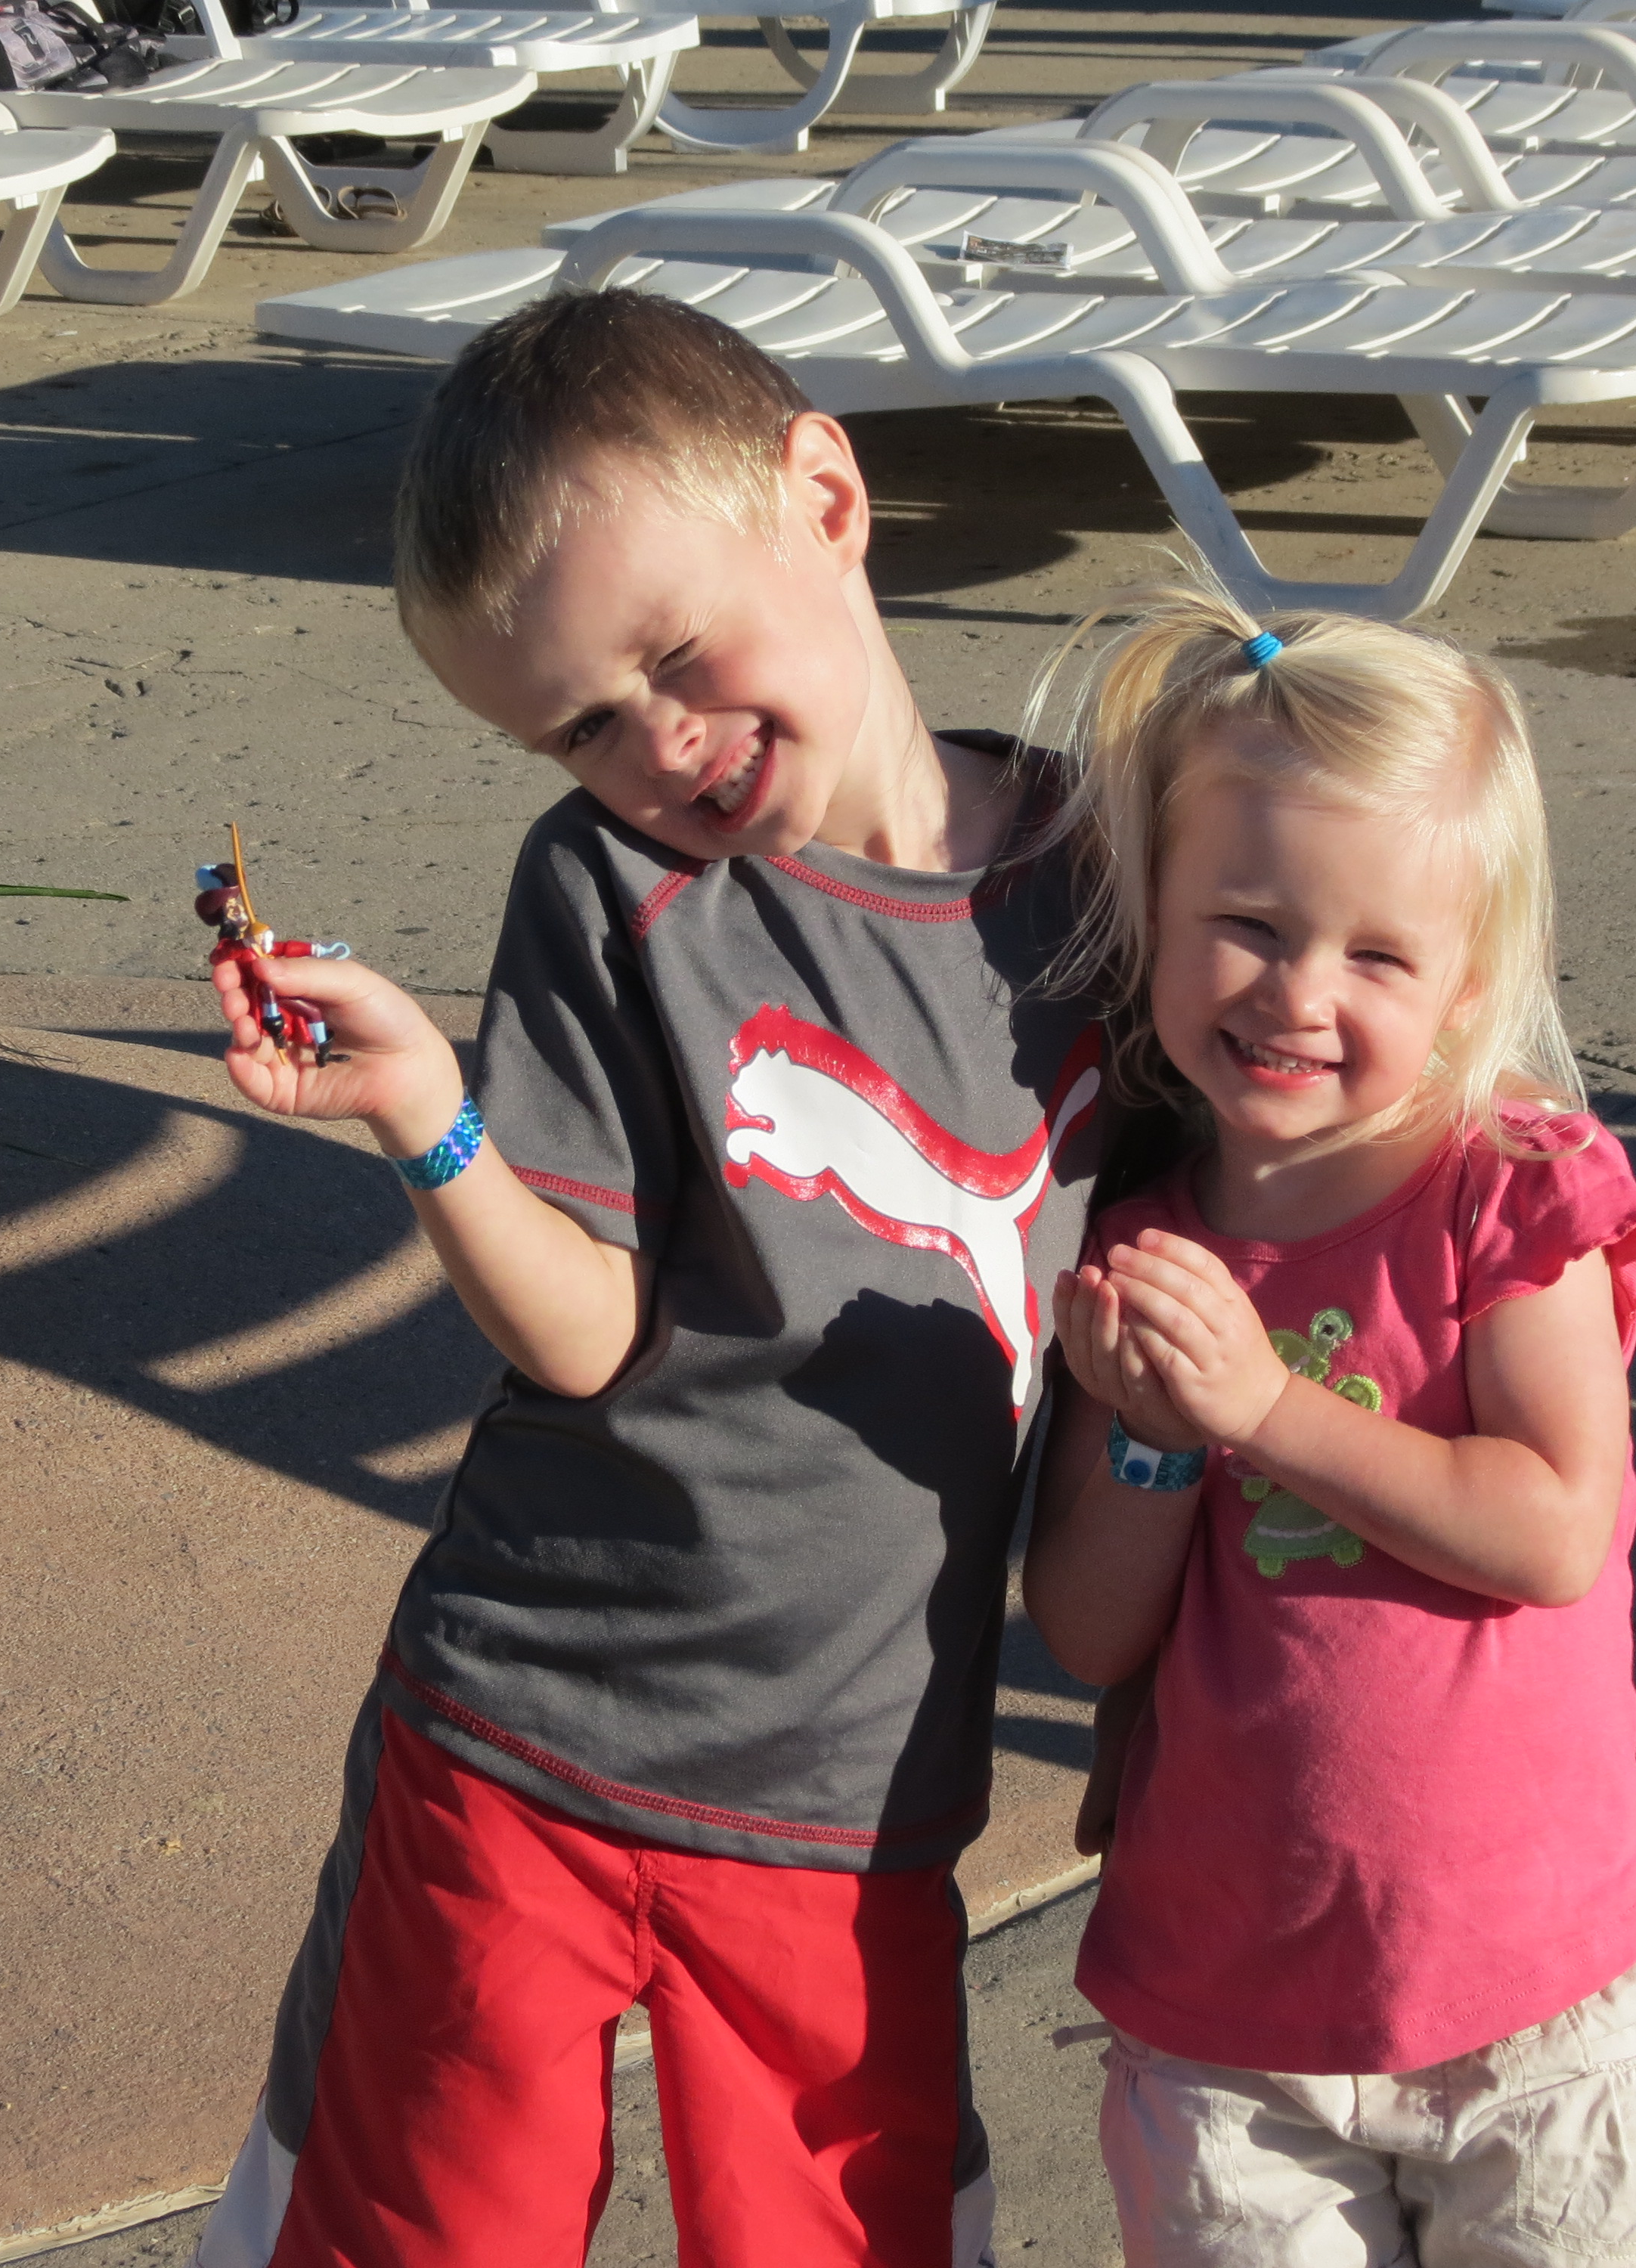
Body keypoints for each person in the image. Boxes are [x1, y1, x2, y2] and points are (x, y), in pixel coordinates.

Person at [187, 291, 1105, 2268]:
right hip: (527, 1743)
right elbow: (588, 1331)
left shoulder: (1111, 886)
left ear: (826, 500)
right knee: (414, 2227)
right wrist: (431, 1117)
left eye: (677, 658)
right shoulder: (614, 890)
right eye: (583, 727)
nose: (660, 747)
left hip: (856, 1800)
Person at [1019, 589, 1636, 2268]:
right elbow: (1087, 1632)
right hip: (1230, 2028)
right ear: (1153, 915)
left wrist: (1267, 1408)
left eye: (1375, 956)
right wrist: (1155, 1433)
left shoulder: (1514, 1193)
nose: (1297, 993)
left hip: (1545, 2016)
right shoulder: (1142, 1243)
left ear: (1469, 982)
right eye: (1246, 924)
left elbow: (1552, 1526)